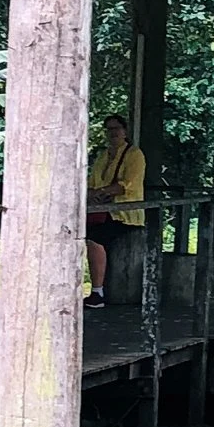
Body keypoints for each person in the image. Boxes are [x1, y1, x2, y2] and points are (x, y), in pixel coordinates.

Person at [86, 111, 145, 300]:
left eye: (116, 128)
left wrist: (101, 193)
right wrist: (93, 194)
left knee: (94, 239)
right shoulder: (103, 156)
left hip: (124, 215)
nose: (112, 133)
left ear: (125, 131)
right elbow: (91, 184)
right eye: (109, 129)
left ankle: (97, 292)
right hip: (101, 211)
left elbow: (126, 186)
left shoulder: (134, 155)